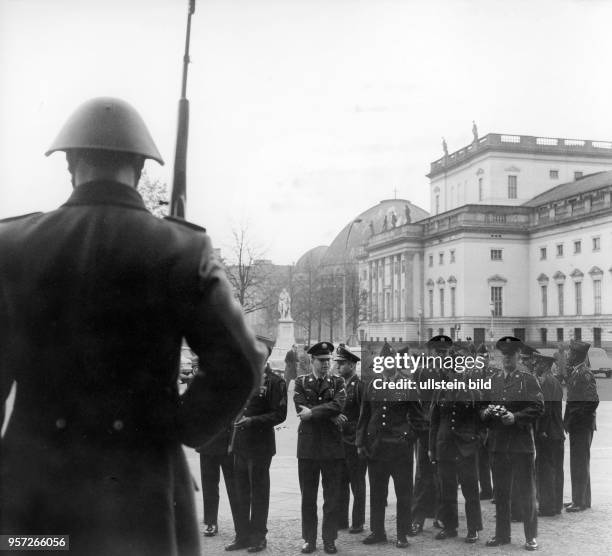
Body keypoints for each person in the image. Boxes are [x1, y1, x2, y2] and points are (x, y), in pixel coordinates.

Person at [0, 97, 266, 556]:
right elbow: (241, 362)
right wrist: (179, 427)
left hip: (34, 502)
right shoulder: (182, 249)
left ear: (69, 164)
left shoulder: (11, 246)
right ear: (141, 169)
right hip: (142, 495)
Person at [481, 336, 543, 551]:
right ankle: (502, 535)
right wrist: (486, 413)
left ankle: (530, 536)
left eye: (511, 355)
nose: (507, 358)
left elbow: (538, 408)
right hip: (497, 444)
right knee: (501, 493)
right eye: (504, 355)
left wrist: (516, 417)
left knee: (526, 492)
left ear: (518, 355)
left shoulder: (528, 379)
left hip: (520, 445)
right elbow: (483, 408)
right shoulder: (494, 379)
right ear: (500, 356)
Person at [357, 343, 419, 549]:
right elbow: (364, 415)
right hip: (376, 448)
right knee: (377, 492)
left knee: (403, 494)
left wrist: (409, 436)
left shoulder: (407, 385)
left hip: (400, 450)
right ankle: (378, 531)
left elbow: (419, 418)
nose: (387, 365)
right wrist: (360, 442)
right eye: (384, 361)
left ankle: (402, 534)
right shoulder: (372, 384)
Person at [229, 336, 288, 552]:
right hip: (240, 445)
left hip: (260, 446)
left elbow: (280, 414)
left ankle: (258, 537)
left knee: (259, 493)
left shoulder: (275, 382)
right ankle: (242, 536)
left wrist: (253, 421)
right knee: (241, 492)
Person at [294, 342, 346, 554]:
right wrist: (329, 413)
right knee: (308, 496)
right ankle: (309, 539)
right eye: (322, 361)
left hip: (331, 447)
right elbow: (300, 407)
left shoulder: (338, 381)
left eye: (328, 360)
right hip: (308, 447)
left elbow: (338, 405)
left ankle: (329, 539)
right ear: (312, 361)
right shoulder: (300, 382)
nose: (326, 364)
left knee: (331, 497)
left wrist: (314, 413)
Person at [429, 354, 483, 543]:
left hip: (466, 447)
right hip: (444, 446)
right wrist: (431, 448)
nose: (455, 373)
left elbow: (481, 419)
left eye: (459, 369)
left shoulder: (473, 391)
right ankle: (450, 527)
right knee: (447, 489)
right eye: (451, 369)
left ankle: (473, 528)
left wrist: (476, 440)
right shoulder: (440, 391)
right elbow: (434, 422)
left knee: (470, 488)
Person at [410, 337, 448, 535]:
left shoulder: (451, 373)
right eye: (438, 351)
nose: (441, 355)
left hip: (445, 429)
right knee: (423, 472)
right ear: (431, 352)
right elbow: (414, 400)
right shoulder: (422, 372)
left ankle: (441, 514)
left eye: (444, 352)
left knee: (444, 472)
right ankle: (417, 518)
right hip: (426, 427)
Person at [332, 345, 366, 534]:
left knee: (357, 483)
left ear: (352, 365)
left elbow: (363, 415)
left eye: (342, 363)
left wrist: (358, 439)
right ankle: (341, 520)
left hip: (353, 441)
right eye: (338, 363)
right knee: (340, 482)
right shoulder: (338, 386)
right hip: (339, 442)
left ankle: (358, 522)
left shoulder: (359, 386)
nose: (338, 367)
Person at [563, 339, 599, 512]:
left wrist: (575, 419)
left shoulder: (584, 374)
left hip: (582, 426)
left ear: (577, 355)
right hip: (578, 425)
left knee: (580, 462)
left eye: (570, 353)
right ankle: (582, 499)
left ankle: (580, 502)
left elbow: (592, 402)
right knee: (579, 462)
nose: (568, 355)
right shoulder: (576, 372)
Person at [532, 352, 564, 516]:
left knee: (546, 470)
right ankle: (556, 505)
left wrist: (541, 430)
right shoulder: (555, 381)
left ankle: (547, 507)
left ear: (543, 365)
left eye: (537, 363)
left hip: (548, 433)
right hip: (556, 432)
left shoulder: (547, 383)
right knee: (556, 469)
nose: (535, 366)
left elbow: (546, 410)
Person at [197, 427, 239, 539]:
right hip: (207, 444)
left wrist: (233, 442)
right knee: (209, 486)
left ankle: (240, 526)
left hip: (228, 445)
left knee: (234, 487)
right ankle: (210, 522)